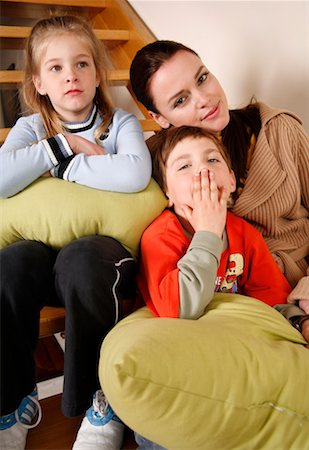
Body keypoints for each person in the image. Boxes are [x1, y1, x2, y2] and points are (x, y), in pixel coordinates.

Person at [0, 15, 151, 450]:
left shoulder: (119, 122)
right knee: (9, 263)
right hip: (41, 255)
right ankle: (13, 398)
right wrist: (63, 144)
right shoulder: (33, 128)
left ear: (98, 73)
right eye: (56, 68)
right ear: (39, 83)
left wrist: (61, 167)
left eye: (82, 64)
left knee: (83, 260)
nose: (71, 76)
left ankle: (97, 400)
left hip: (97, 260)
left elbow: (135, 174)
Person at [135, 125, 309, 450]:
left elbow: (271, 303)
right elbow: (179, 309)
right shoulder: (161, 236)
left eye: (212, 160)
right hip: (180, 360)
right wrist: (208, 233)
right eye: (184, 166)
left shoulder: (245, 235)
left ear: (230, 180)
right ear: (168, 194)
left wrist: (299, 322)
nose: (202, 169)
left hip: (233, 354)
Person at [130, 40, 309, 321]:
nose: (204, 99)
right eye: (180, 100)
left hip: (291, 291)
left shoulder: (278, 130)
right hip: (212, 295)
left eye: (202, 78)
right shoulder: (156, 163)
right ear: (159, 117)